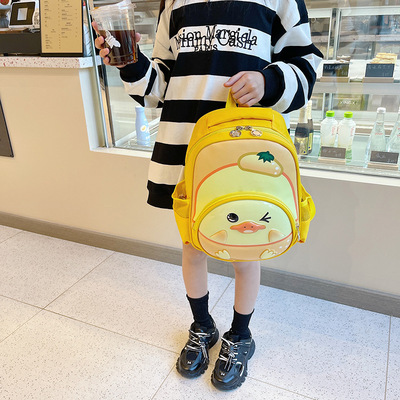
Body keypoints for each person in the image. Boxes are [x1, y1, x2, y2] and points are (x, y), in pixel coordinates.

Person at [94, 0, 322, 391]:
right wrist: (130, 64)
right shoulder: (174, 3)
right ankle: (202, 326)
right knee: (192, 246)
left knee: (246, 252)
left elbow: (307, 64)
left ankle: (241, 335)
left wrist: (268, 81)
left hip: (245, 155)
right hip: (187, 150)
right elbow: (161, 85)